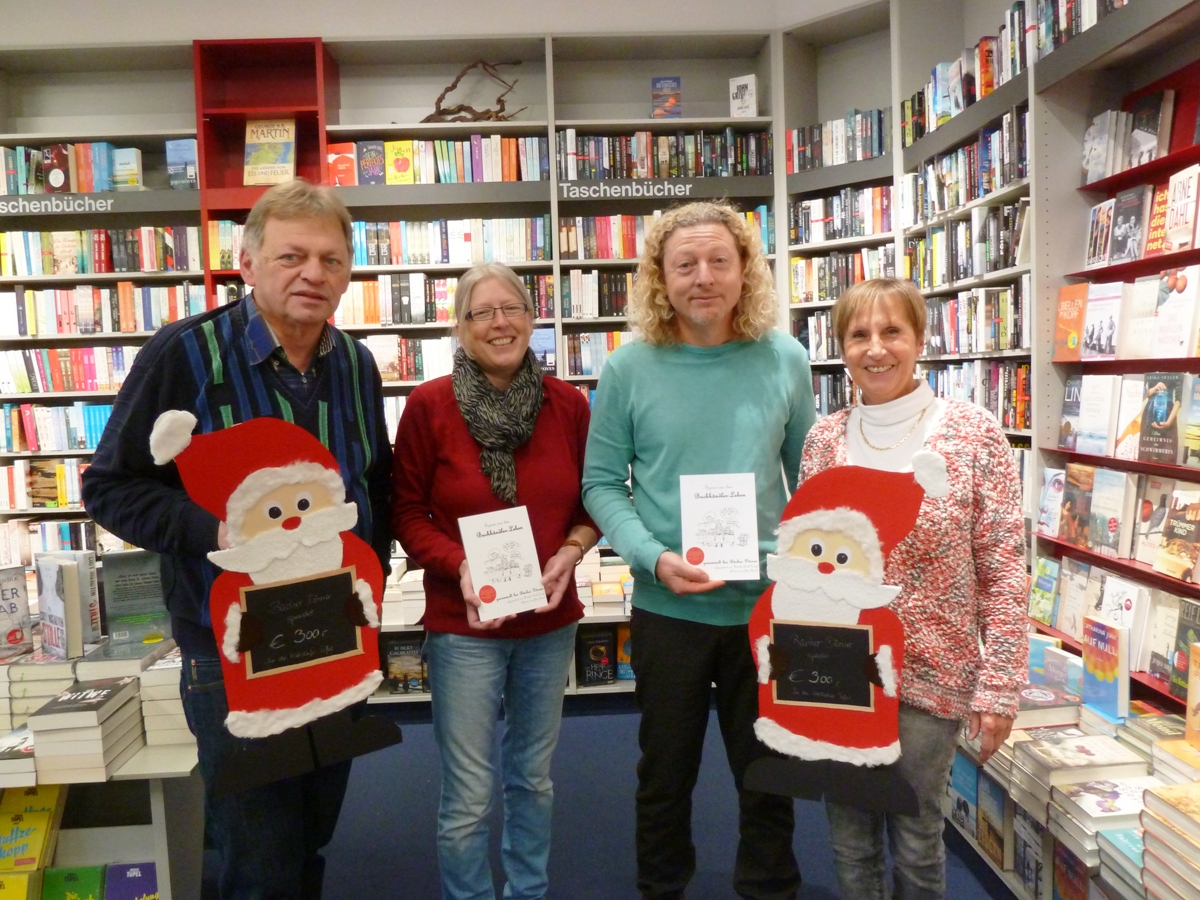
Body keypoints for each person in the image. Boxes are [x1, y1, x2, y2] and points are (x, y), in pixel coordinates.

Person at [81, 179, 393, 900]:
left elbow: (373, 478)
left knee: (312, 838)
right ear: (247, 263)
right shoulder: (186, 355)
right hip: (233, 652)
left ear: (348, 272)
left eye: (330, 259)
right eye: (291, 256)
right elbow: (109, 486)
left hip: (336, 639)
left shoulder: (355, 364)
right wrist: (220, 532)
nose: (312, 273)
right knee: (255, 856)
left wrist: (373, 573)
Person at [582, 200, 814, 900]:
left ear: (747, 272)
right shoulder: (628, 369)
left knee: (770, 769)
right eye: (685, 264)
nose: (703, 277)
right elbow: (600, 484)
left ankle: (770, 886)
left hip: (764, 610)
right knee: (664, 773)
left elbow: (809, 480)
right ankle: (662, 887)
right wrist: (653, 557)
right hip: (668, 608)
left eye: (720, 260)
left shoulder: (786, 358)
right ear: (661, 277)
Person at [801, 277, 1026, 900]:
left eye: (891, 331)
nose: (876, 348)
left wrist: (1001, 684)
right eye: (859, 334)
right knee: (848, 836)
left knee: (917, 835)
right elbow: (805, 560)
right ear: (841, 347)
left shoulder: (973, 434)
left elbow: (1005, 567)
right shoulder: (824, 440)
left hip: (932, 671)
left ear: (920, 339)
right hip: (838, 671)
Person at [391, 262, 597, 900]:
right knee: (469, 793)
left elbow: (594, 499)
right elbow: (405, 512)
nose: (500, 323)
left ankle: (527, 892)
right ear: (460, 326)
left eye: (512, 308)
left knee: (533, 780)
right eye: (482, 312)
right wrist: (460, 565)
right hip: (463, 628)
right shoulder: (429, 406)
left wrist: (572, 549)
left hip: (547, 625)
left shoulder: (568, 406)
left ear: (532, 319)